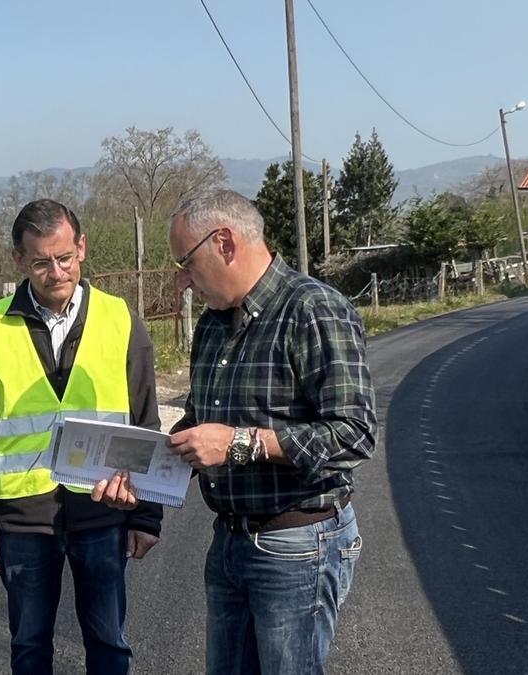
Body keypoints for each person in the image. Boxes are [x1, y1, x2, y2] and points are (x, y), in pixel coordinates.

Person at [103, 189, 376, 674]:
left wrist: (239, 443)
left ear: (225, 242)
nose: (182, 281)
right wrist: (140, 478)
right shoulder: (212, 325)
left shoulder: (312, 310)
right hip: (229, 541)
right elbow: (197, 425)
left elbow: (353, 434)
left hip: (298, 541)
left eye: (186, 262)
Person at [0, 199, 163, 674]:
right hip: (23, 522)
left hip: (104, 512)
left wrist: (146, 517)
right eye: (41, 262)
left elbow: (145, 423)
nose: (56, 271)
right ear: (18, 261)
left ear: (82, 248)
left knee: (109, 644)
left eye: (64, 257)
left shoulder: (120, 318)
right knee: (29, 647)